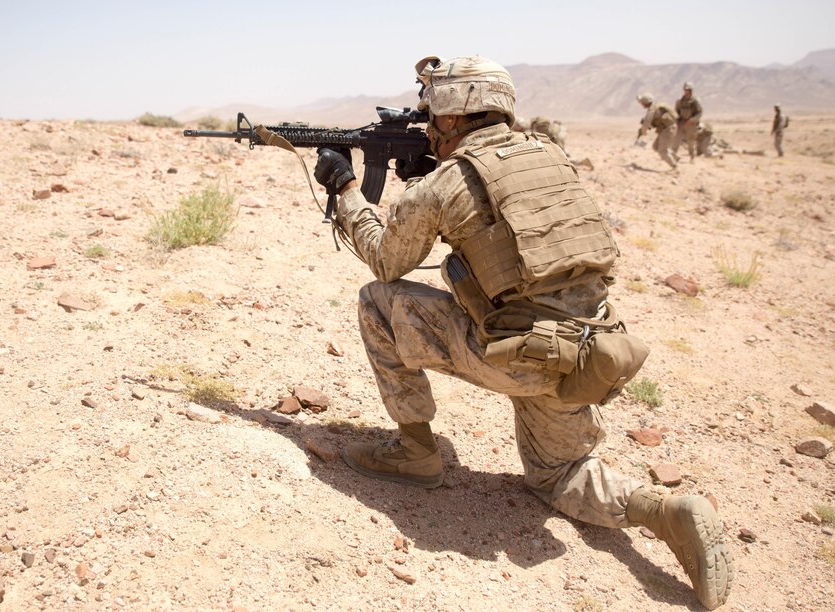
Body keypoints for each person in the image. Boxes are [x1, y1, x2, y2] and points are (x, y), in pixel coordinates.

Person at [312, 55, 734, 610]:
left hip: (514, 355)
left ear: (451, 115)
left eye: (432, 113)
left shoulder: (444, 184)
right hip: (585, 358)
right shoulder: (551, 156)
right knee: (560, 476)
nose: (427, 122)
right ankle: (665, 510)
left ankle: (414, 452)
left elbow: (386, 261)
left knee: (379, 302)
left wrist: (345, 189)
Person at [636, 93, 680, 170]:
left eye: (642, 102)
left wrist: (642, 133)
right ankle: (675, 157)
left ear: (646, 103)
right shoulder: (657, 107)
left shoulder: (652, 111)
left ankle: (674, 166)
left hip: (668, 130)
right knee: (655, 146)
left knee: (662, 151)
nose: (641, 104)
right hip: (667, 129)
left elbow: (646, 124)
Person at [672, 82, 703, 162]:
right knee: (676, 139)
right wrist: (677, 120)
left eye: (688, 90)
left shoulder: (695, 101)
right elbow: (676, 111)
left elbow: (700, 112)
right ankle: (673, 156)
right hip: (682, 122)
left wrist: (692, 120)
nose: (686, 91)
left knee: (690, 141)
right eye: (685, 90)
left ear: (691, 90)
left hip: (691, 124)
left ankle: (692, 157)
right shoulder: (680, 101)